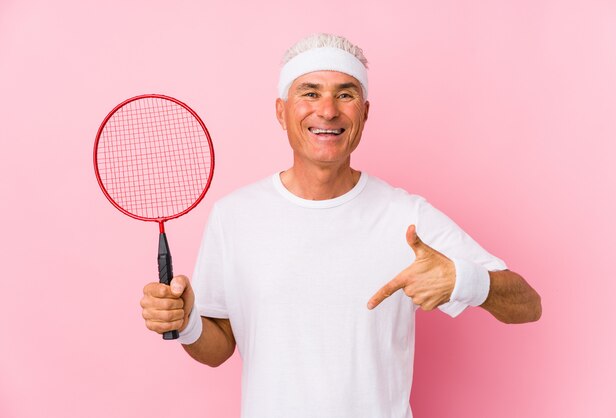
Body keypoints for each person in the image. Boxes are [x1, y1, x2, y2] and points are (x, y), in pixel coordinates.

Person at [140, 33, 542, 418]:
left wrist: (462, 279)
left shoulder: (407, 216)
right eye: (310, 92)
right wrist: (188, 320)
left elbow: (528, 305)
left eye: (345, 94)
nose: (328, 110)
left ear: (364, 112)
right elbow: (219, 346)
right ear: (281, 110)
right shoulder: (235, 215)